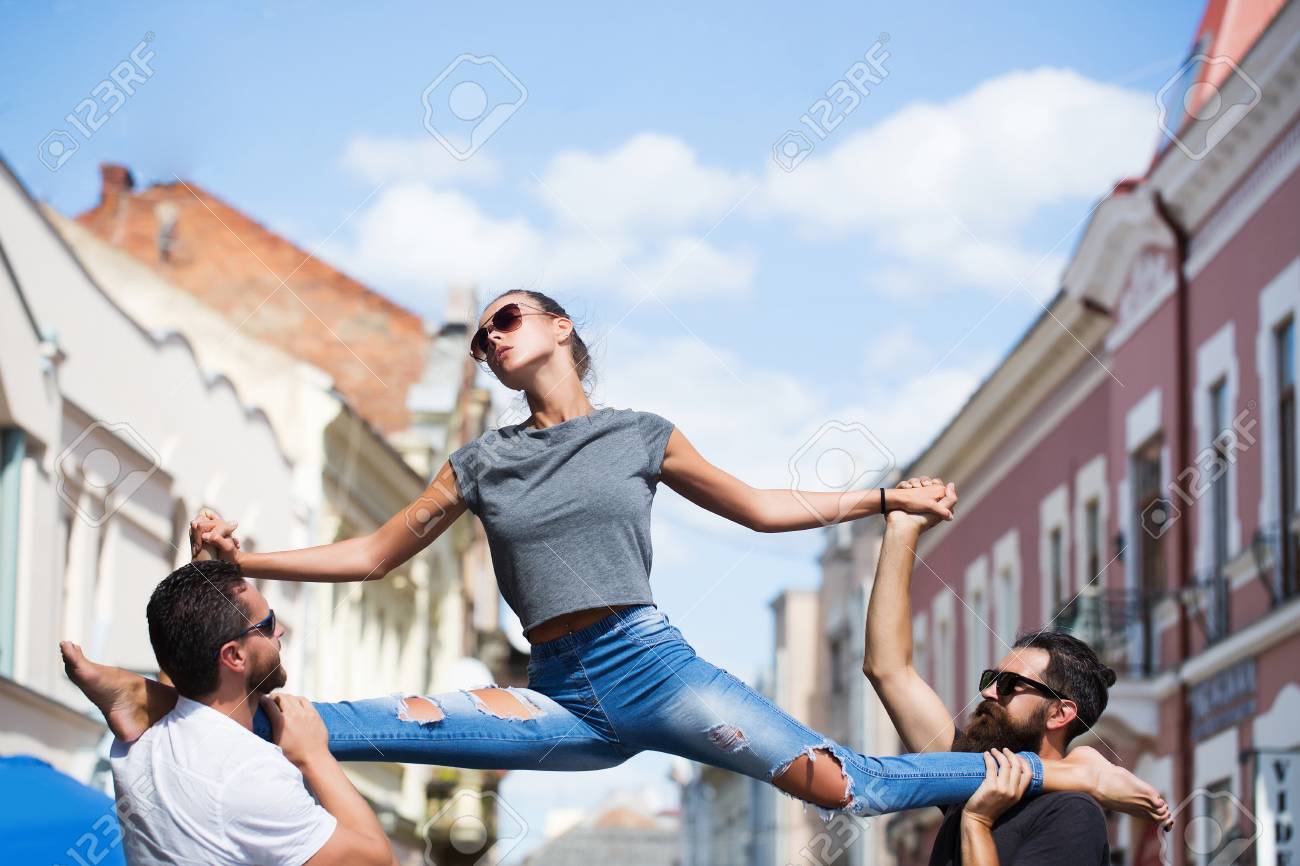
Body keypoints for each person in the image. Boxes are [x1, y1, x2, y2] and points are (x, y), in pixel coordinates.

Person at [183, 289, 1173, 826]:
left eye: (507, 318)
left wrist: (881, 497)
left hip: (649, 669)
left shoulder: (640, 432)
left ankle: (1071, 777)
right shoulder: (478, 460)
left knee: (854, 786)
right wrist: (247, 560)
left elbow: (754, 504)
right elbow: (372, 552)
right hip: (558, 689)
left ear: (561, 329)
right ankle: (162, 708)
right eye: (483, 334)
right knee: (338, 727)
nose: (490, 337)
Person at [863, 475, 1135, 864]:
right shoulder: (968, 773)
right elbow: (887, 668)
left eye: (1009, 685)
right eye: (991, 680)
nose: (989, 692)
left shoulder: (1072, 813)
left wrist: (976, 821)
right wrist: (901, 528)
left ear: (1060, 713)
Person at [60, 559, 398, 866]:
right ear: (234, 656)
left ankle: (135, 688)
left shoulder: (141, 745)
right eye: (267, 624)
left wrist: (202, 571)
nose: (278, 631)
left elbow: (185, 641)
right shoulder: (248, 772)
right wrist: (314, 755)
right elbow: (380, 862)